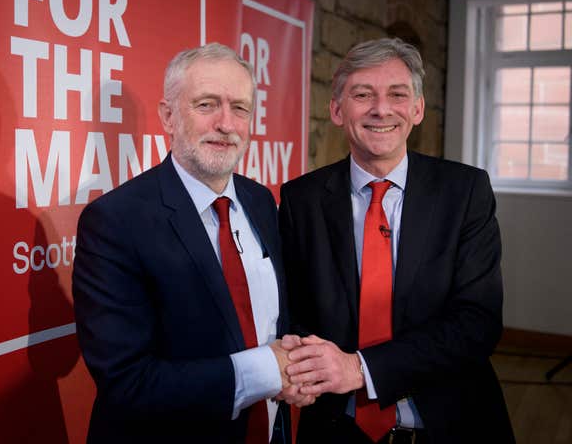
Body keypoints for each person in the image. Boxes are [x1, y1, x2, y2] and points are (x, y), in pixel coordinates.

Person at [278, 38, 515, 443]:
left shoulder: (465, 192)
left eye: (397, 95)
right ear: (337, 110)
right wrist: (299, 361)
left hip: (450, 427)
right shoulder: (301, 199)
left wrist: (360, 368)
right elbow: (292, 311)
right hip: (338, 431)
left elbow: (477, 323)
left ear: (418, 109)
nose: (381, 109)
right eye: (362, 94)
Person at [73, 43, 310, 444]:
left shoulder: (261, 200)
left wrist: (299, 365)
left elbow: (271, 323)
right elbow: (128, 382)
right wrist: (270, 370)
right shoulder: (114, 221)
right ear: (168, 116)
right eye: (206, 105)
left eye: (240, 108)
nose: (226, 123)